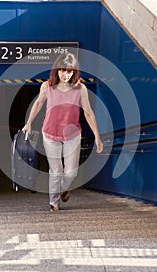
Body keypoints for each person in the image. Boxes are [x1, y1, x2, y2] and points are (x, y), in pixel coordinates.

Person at [22, 53, 103, 211]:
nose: (65, 75)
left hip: (72, 136)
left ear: (74, 72)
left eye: (69, 71)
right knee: (56, 170)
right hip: (50, 134)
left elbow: (88, 113)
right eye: (62, 71)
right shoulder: (47, 86)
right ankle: (54, 202)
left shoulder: (80, 89)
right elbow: (38, 103)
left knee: (71, 172)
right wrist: (29, 123)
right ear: (56, 70)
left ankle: (64, 188)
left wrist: (98, 137)